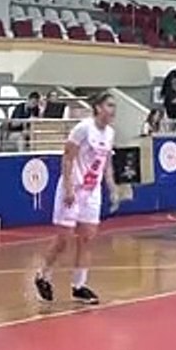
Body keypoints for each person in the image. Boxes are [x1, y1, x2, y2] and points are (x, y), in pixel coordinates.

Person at [34, 91, 118, 306]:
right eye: (109, 105)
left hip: (92, 190)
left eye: (114, 106)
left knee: (87, 237)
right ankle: (43, 275)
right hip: (73, 189)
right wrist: (69, 188)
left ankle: (79, 286)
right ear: (98, 108)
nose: (113, 110)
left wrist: (111, 186)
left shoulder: (109, 133)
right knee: (63, 239)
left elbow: (106, 162)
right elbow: (67, 158)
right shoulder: (83, 128)